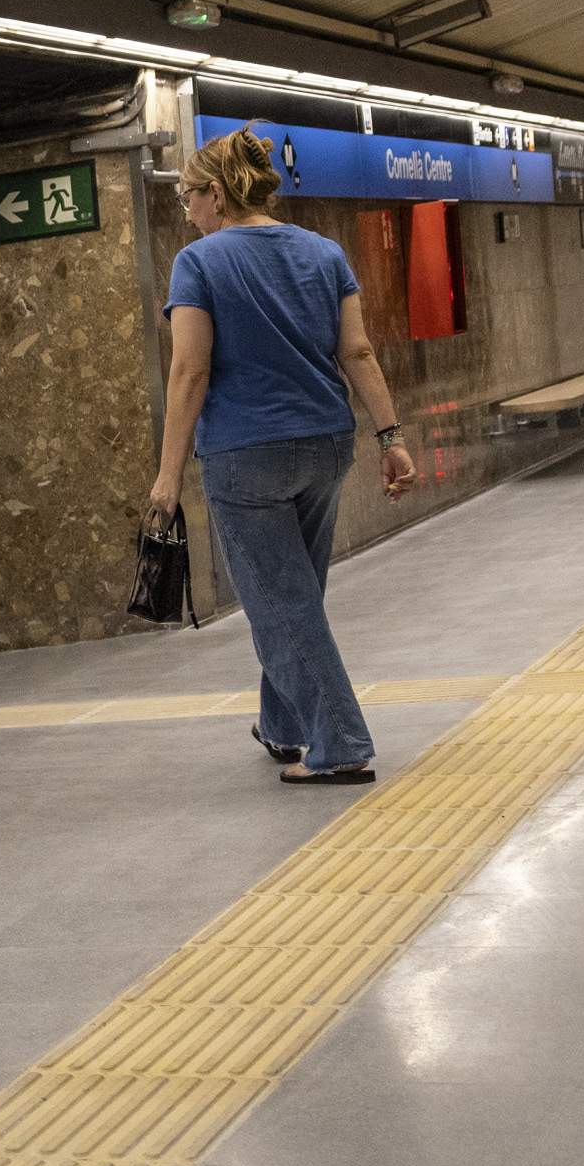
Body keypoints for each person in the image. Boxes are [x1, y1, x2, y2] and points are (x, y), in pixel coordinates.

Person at [149, 129, 415, 785]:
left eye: (187, 197)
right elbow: (357, 352)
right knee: (293, 594)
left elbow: (189, 370)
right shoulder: (324, 253)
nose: (186, 211)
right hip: (325, 444)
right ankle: (283, 725)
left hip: (246, 455)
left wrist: (166, 474)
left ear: (215, 194)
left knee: (280, 604)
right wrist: (392, 438)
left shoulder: (200, 262)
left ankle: (342, 745)